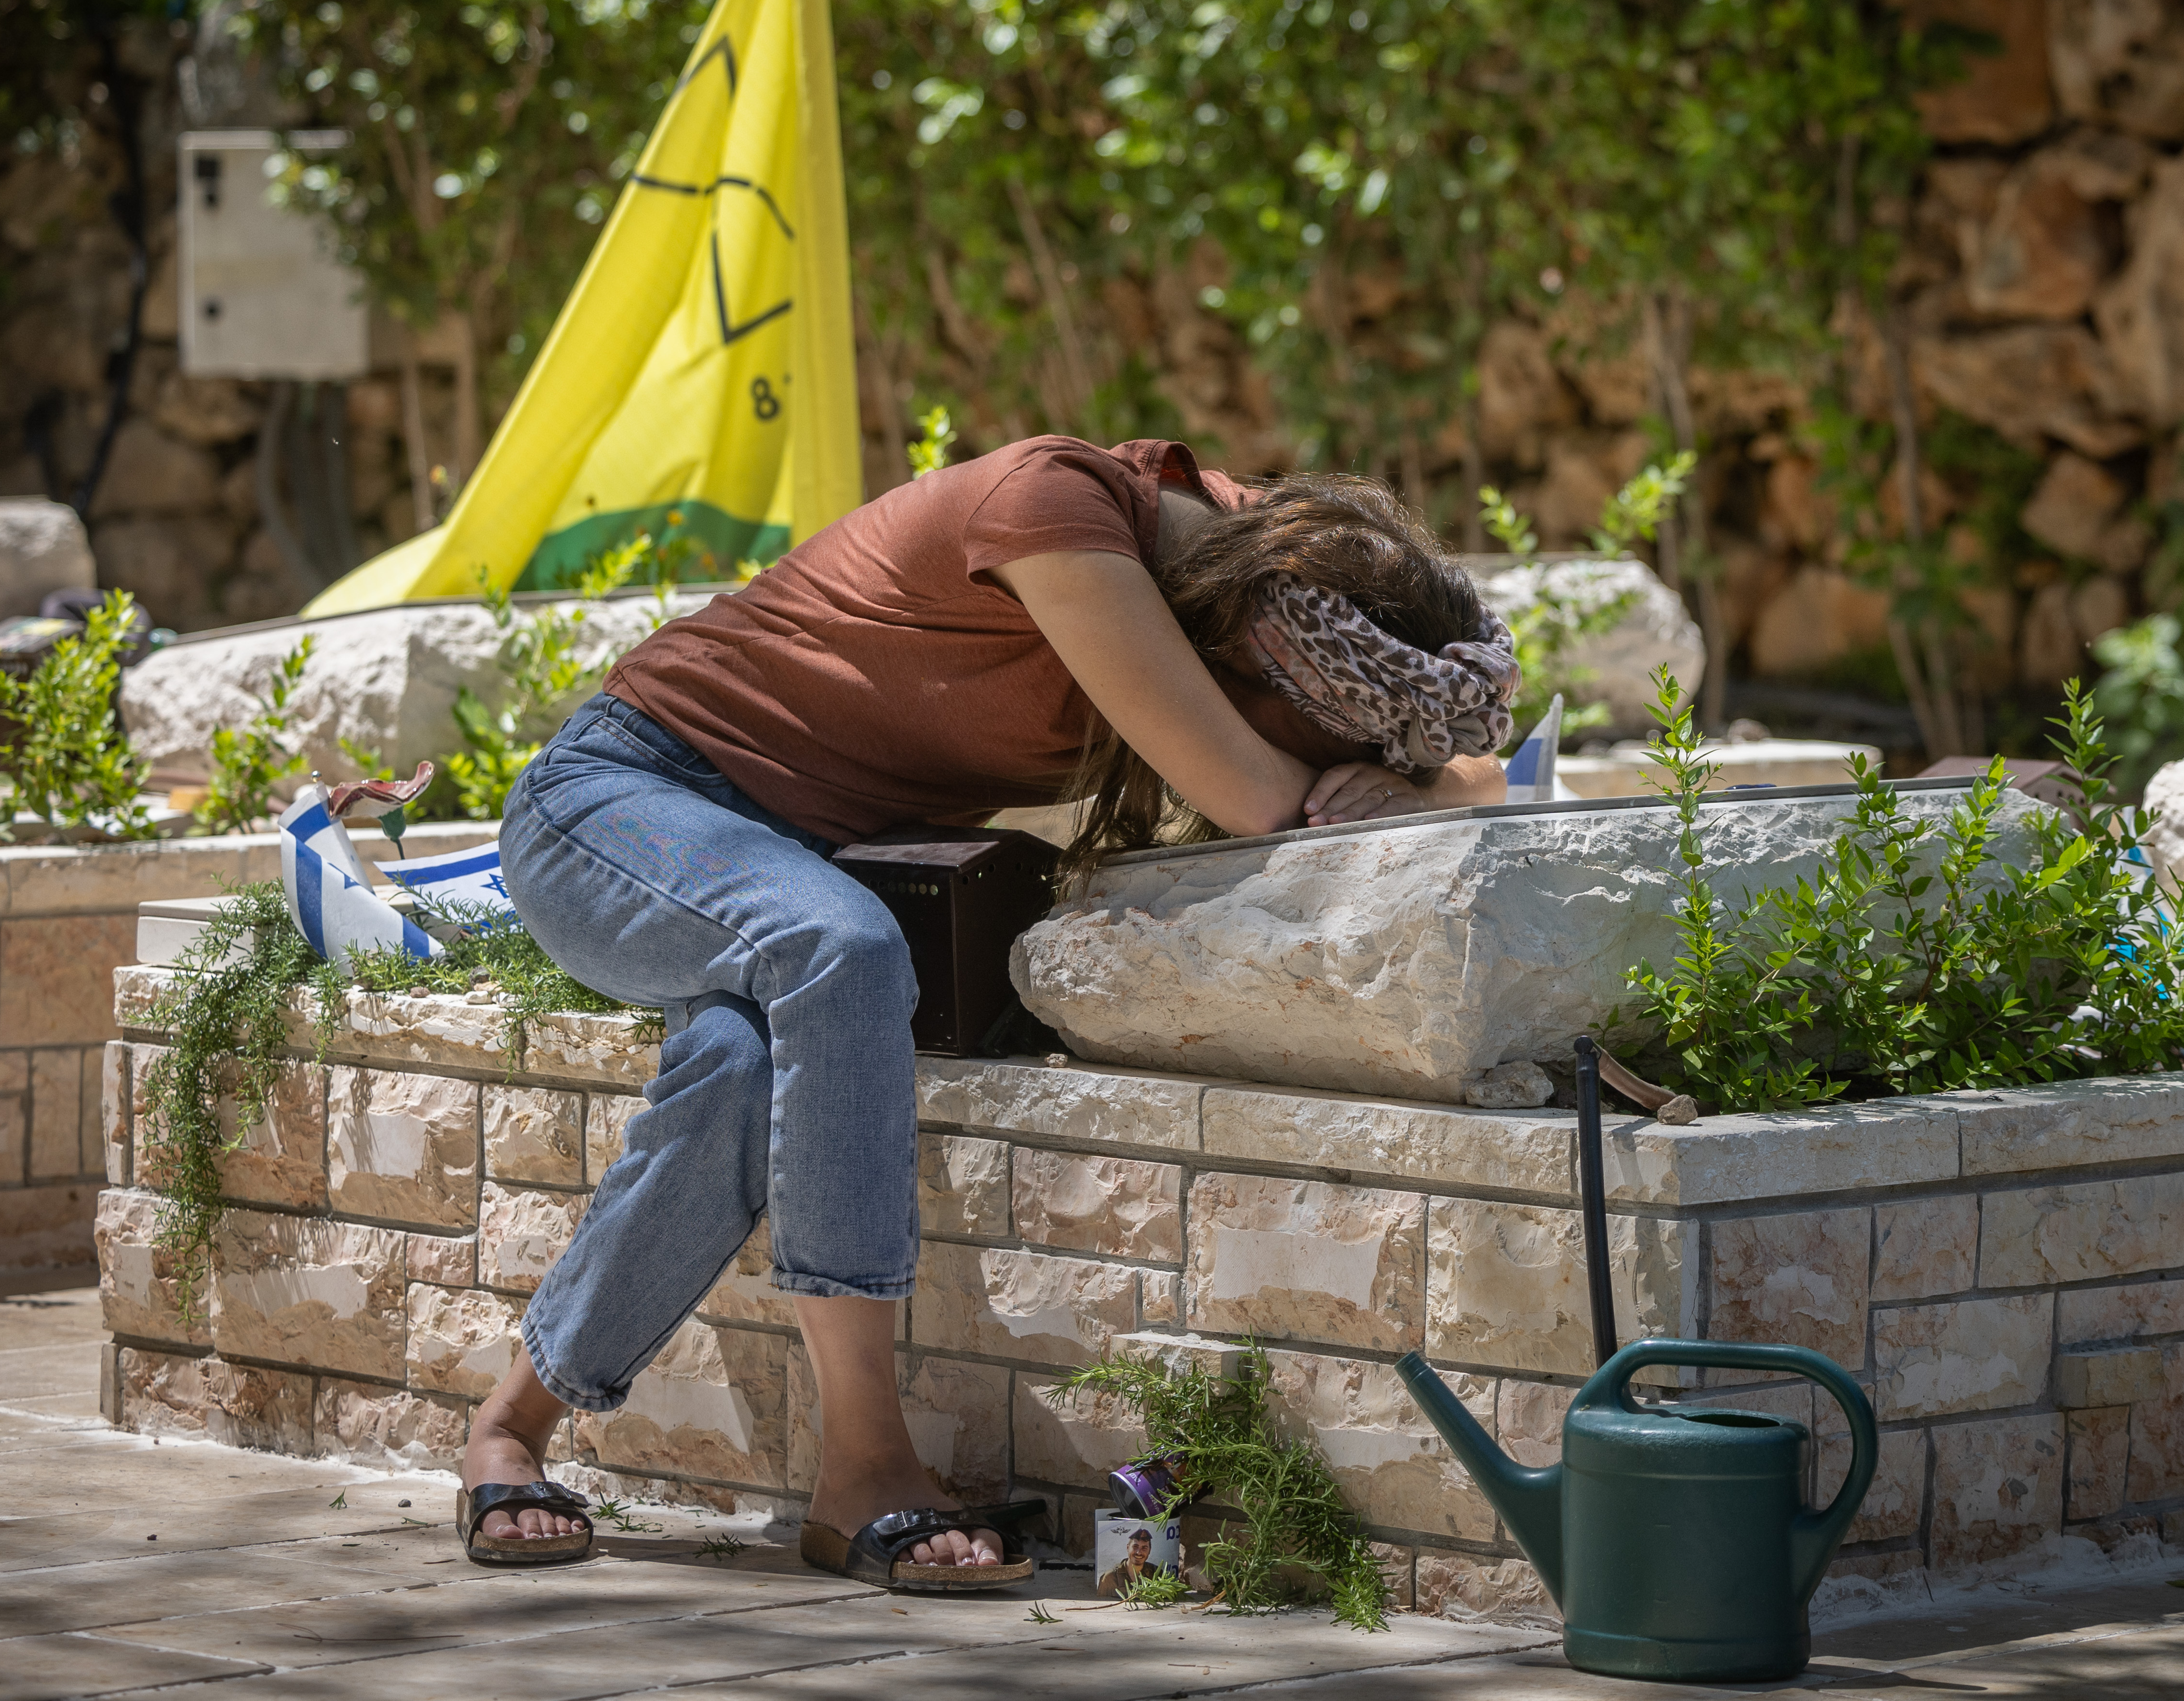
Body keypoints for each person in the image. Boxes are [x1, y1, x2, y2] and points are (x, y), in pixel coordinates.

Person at [449, 437, 1515, 1586]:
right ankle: (864, 1464)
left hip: (798, 870)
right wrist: (1372, 778)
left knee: (740, 1065)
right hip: (630, 806)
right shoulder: (1059, 516)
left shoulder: (1294, 568)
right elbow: (1256, 796)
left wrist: (1418, 776)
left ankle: (510, 1426)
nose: (1332, 762)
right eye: (1333, 736)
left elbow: (1486, 770)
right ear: (1262, 665)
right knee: (837, 950)